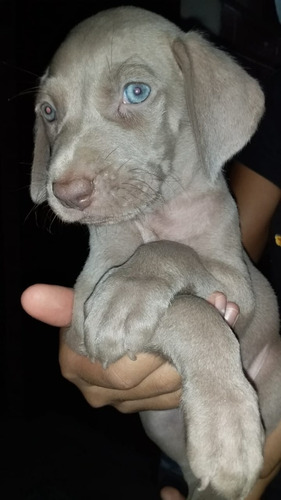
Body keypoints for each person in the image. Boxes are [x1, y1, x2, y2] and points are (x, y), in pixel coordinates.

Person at [21, 69, 281, 499]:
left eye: (135, 92)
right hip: (190, 428)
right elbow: (235, 264)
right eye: (51, 112)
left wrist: (162, 266)